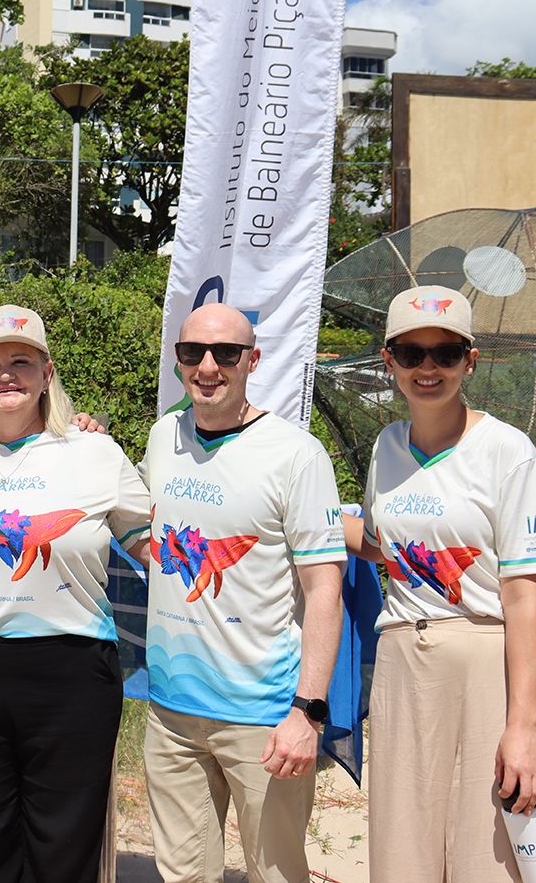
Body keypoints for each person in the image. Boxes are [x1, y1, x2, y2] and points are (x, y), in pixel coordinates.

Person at [0, 305, 149, 883]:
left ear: (47, 373)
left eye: (21, 360)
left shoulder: (95, 452)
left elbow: (159, 548)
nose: (6, 375)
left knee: (64, 846)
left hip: (73, 672)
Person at [344, 286, 536, 883]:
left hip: (488, 663)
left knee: (488, 860)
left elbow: (524, 597)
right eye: (410, 353)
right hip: (403, 666)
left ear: (472, 359)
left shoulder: (508, 453)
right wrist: (327, 523)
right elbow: (398, 551)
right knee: (401, 855)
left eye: (444, 352)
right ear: (387, 361)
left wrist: (523, 728)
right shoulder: (388, 447)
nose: (427, 368)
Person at [138, 302, 345, 883]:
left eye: (225, 353)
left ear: (252, 360)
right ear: (177, 362)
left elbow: (324, 589)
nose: (208, 367)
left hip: (264, 716)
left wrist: (307, 711)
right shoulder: (163, 438)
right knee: (182, 875)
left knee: (274, 874)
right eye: (192, 353)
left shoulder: (296, 454)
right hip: (174, 714)